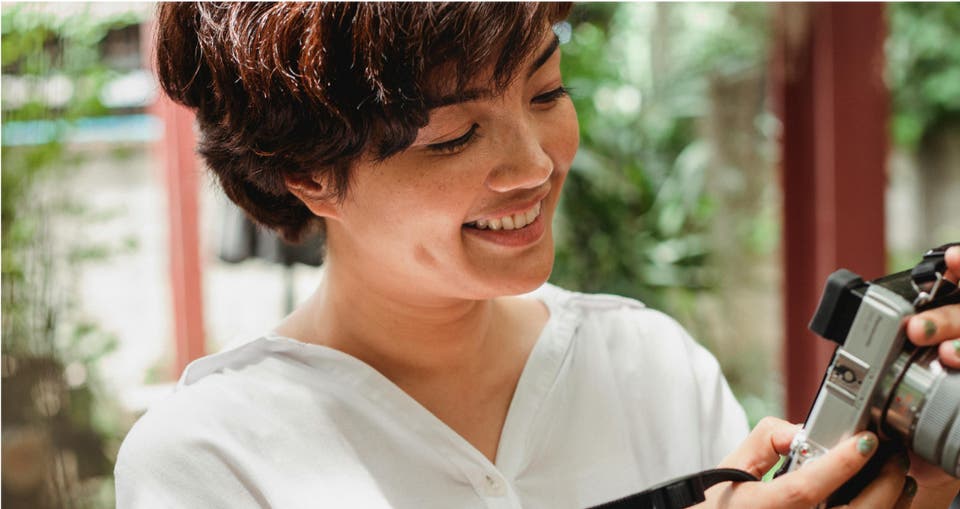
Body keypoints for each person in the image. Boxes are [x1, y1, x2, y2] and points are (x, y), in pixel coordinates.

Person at [116, 3, 960, 508]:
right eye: (452, 138)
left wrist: (923, 485)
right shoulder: (212, 457)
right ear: (306, 173)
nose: (535, 163)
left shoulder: (646, 364)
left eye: (547, 91)